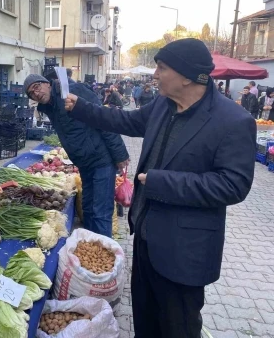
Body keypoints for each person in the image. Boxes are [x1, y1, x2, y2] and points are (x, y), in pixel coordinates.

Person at [64, 38, 256, 338]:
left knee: (177, 328)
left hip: (184, 253)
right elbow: (123, 120)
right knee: (145, 323)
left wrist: (160, 182)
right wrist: (81, 108)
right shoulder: (163, 106)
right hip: (145, 241)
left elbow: (233, 185)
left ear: (188, 75)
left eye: (162, 68)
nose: (155, 75)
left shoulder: (233, 121)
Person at [24, 74, 129, 238]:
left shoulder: (73, 91)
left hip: (101, 160)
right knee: (88, 208)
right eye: (31, 93)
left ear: (47, 83)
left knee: (100, 211)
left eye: (37, 87)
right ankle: (91, 246)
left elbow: (103, 119)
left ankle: (103, 255)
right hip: (84, 164)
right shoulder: (50, 106)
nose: (36, 93)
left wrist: (119, 154)